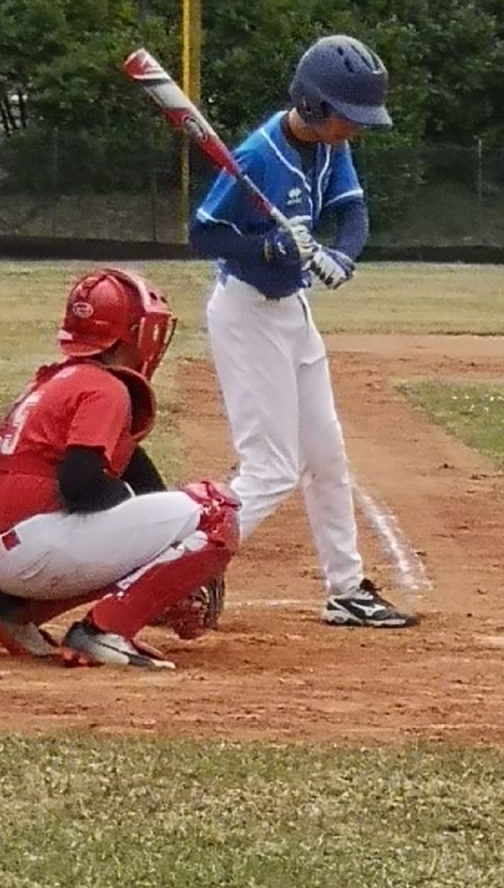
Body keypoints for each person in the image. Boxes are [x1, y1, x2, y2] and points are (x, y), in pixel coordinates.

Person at [190, 32, 417, 628]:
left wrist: (340, 255)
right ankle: (178, 564)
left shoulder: (328, 145)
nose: (356, 131)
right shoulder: (258, 155)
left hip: (293, 312)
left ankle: (346, 589)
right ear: (314, 105)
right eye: (349, 117)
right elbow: (204, 233)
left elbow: (353, 212)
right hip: (246, 314)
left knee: (326, 456)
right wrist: (267, 246)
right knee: (270, 469)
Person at [0, 267, 241, 669]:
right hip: (33, 549)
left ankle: (14, 609)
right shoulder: (105, 388)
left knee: (147, 518)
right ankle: (103, 633)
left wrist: (162, 540)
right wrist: (166, 552)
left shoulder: (57, 379)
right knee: (217, 511)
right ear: (128, 333)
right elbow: (80, 484)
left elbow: (132, 468)